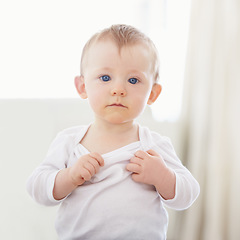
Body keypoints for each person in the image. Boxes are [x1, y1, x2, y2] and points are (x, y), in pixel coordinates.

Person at [27, 24, 200, 240]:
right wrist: (69, 177)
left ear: (153, 93)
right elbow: (37, 187)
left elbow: (189, 194)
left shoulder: (153, 145)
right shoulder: (70, 141)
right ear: (82, 87)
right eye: (106, 78)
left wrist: (162, 176)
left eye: (133, 80)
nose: (119, 89)